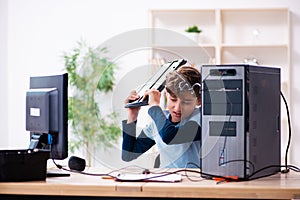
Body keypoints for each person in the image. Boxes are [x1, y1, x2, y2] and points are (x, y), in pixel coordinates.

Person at [121, 65, 201, 168]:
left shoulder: (200, 120)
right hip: (165, 182)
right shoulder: (158, 122)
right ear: (166, 94)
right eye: (173, 99)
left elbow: (170, 136)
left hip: (192, 183)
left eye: (186, 102)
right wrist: (132, 114)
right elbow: (128, 154)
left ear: (198, 101)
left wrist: (154, 106)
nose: (177, 108)